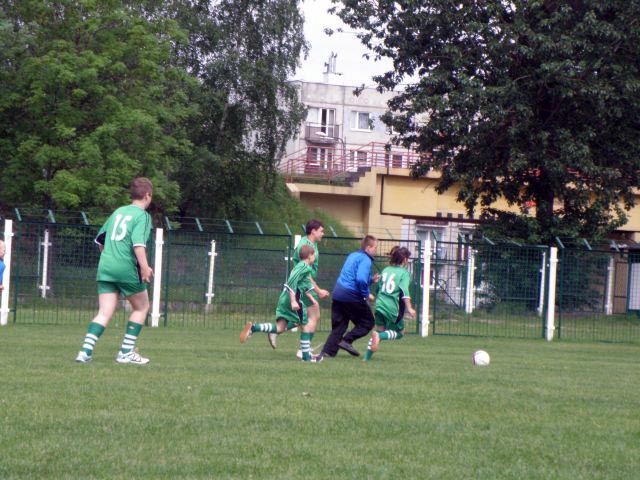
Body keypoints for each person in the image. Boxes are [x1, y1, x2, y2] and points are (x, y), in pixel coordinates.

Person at [75, 177, 154, 365]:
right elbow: (138, 244)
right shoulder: (142, 216)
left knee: (104, 312)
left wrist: (110, 257)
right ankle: (126, 352)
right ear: (147, 195)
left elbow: (100, 240)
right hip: (126, 268)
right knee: (142, 307)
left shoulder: (118, 212)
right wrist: (145, 267)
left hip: (105, 267)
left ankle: (84, 352)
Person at [240, 244, 322, 362]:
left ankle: (254, 328)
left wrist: (312, 298)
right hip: (293, 299)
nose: (315, 257)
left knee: (280, 328)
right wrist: (293, 301)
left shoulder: (303, 267)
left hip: (285, 298)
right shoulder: (303, 266)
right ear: (309, 256)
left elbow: (304, 284)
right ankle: (306, 357)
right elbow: (291, 281)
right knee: (306, 325)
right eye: (314, 255)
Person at [268, 219, 330, 350]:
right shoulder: (304, 246)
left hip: (305, 285)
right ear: (313, 231)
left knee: (303, 318)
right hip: (303, 286)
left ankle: (277, 331)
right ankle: (304, 350)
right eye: (321, 231)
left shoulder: (312, 244)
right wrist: (318, 290)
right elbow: (304, 271)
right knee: (312, 317)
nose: (323, 234)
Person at [317, 235, 380, 360]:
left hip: (338, 294)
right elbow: (360, 279)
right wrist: (366, 294)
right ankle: (346, 341)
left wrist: (371, 280)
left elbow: (353, 276)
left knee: (339, 325)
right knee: (368, 322)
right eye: (375, 248)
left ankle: (327, 353)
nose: (376, 250)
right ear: (368, 248)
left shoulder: (352, 255)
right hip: (351, 295)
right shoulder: (366, 259)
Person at [364, 246, 416, 361]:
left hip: (379, 305)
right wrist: (410, 308)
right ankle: (378, 336)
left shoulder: (386, 270)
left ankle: (366, 358)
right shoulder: (404, 273)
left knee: (379, 330)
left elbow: (378, 288)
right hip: (392, 308)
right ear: (405, 260)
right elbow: (404, 291)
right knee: (400, 333)